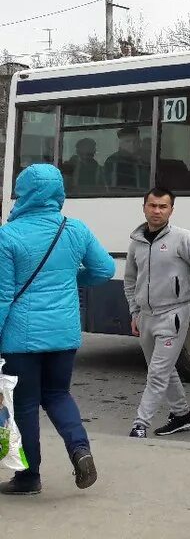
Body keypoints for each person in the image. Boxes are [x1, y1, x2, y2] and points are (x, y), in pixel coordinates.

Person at [0, 164, 115, 495]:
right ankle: (80, 450)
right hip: (64, 334)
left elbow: (4, 296)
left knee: (24, 405)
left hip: (20, 339)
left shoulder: (8, 236)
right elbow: (104, 268)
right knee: (58, 395)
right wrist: (69, 279)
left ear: (24, 194)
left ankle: (28, 477)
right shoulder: (74, 229)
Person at [125, 187, 190, 438]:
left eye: (163, 207)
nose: (157, 211)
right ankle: (181, 415)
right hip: (146, 317)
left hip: (173, 315)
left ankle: (140, 424)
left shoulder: (183, 238)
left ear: (171, 210)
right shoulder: (136, 243)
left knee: (158, 373)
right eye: (152, 206)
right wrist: (134, 312)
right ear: (144, 207)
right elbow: (130, 280)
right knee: (162, 368)